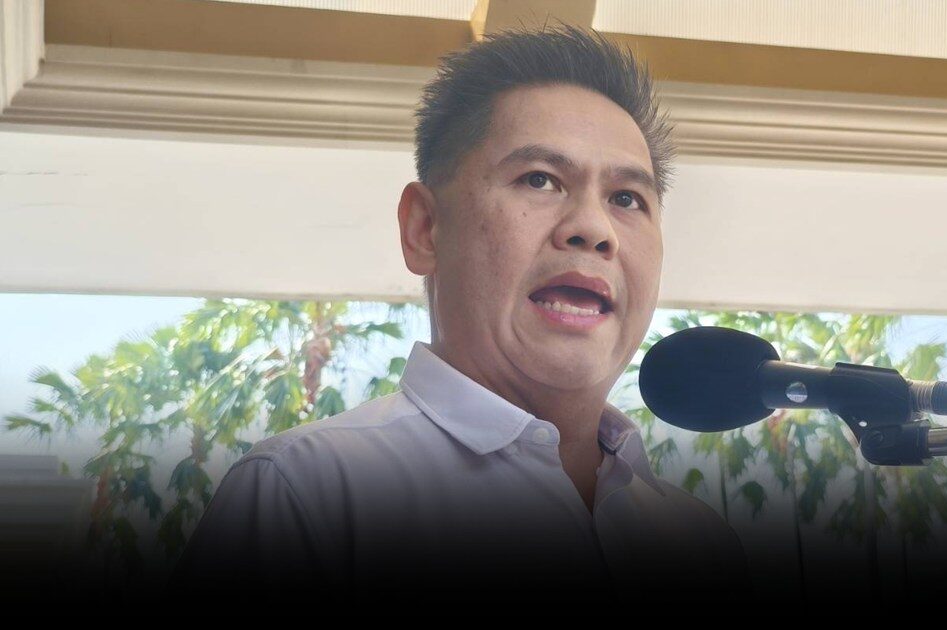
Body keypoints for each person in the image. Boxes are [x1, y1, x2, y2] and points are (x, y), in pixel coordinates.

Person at [166, 22, 752, 604]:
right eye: (540, 180)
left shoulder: (705, 545)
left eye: (626, 198)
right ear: (425, 229)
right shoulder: (306, 495)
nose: (595, 229)